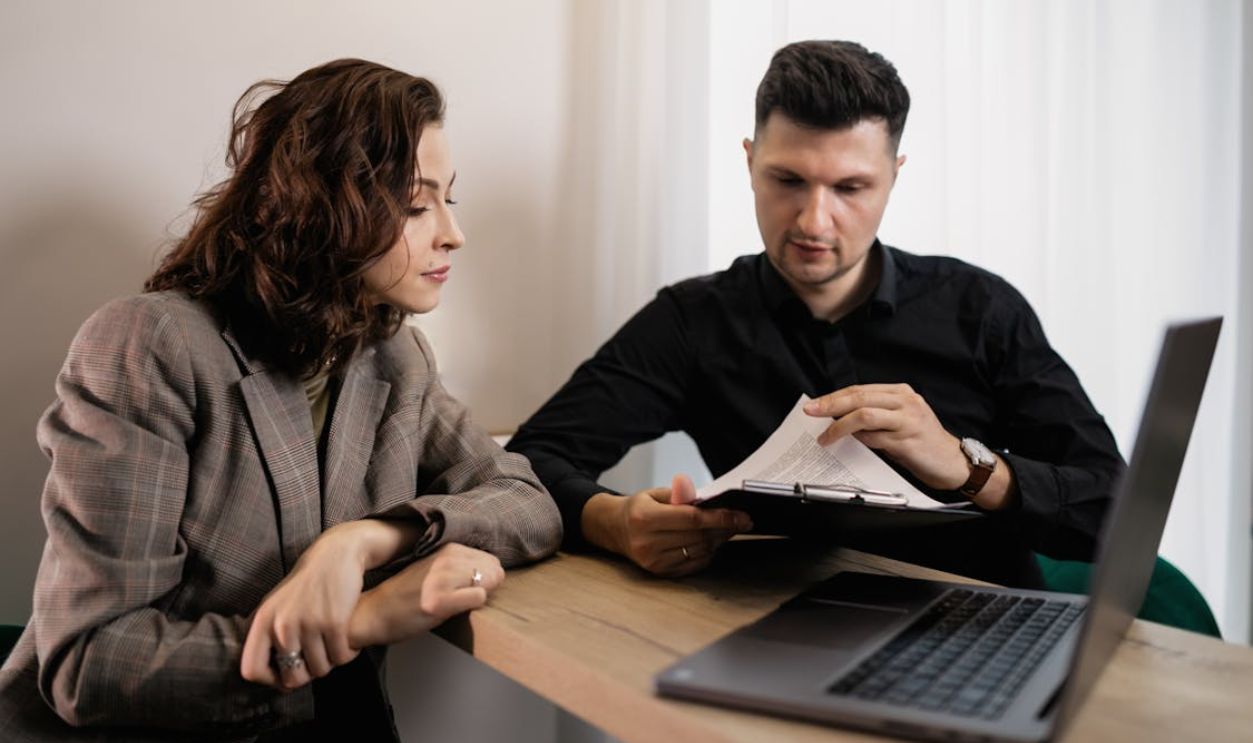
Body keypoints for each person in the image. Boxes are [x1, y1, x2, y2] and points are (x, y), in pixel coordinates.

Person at [0, 59, 562, 741]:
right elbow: (89, 665)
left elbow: (524, 499)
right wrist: (361, 619)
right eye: (416, 205)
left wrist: (361, 542)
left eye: (450, 199)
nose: (452, 232)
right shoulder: (152, 345)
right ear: (325, 206)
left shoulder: (394, 356)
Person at [507, 40, 1123, 587]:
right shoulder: (692, 321)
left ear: (893, 177)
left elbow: (1114, 514)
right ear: (749, 162)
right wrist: (611, 521)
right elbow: (527, 463)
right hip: (778, 634)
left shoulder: (982, 310)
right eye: (788, 180)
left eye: (850, 189)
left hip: (984, 633)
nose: (813, 221)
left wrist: (968, 469)